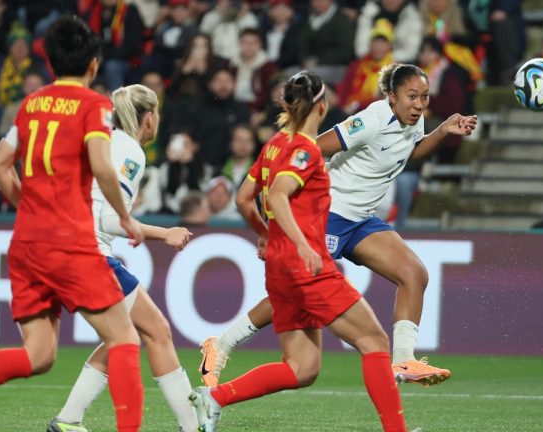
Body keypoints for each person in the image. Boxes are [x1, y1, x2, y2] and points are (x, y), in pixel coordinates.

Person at [0, 15, 146, 432]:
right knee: (125, 339)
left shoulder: (32, 103)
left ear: (52, 62)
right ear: (93, 64)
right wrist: (125, 216)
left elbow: (0, 166)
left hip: (26, 245)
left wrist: (31, 206)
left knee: (39, 355)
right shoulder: (94, 106)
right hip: (70, 243)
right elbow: (100, 164)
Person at [199, 64, 477, 388]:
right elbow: (313, 148)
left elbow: (410, 153)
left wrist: (442, 131)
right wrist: (285, 190)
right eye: (412, 96)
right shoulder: (370, 120)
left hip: (361, 219)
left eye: (425, 97)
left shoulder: (416, 121)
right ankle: (220, 344)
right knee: (297, 296)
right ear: (391, 96)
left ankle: (403, 359)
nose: (419, 104)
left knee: (414, 274)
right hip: (329, 214)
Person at [190, 71, 408, 432]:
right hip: (306, 265)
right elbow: (277, 194)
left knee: (302, 367)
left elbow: (244, 199)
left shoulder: (275, 143)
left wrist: (264, 233)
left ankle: (215, 398)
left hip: (279, 268)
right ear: (321, 106)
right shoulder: (305, 149)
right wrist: (303, 243)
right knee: (374, 340)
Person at [48, 84, 199, 432]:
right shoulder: (129, 150)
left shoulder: (100, 141)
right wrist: (165, 233)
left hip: (65, 251)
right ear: (149, 117)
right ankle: (195, 425)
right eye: (157, 112)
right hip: (90, 254)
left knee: (124, 335)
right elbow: (109, 220)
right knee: (158, 331)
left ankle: (68, 420)